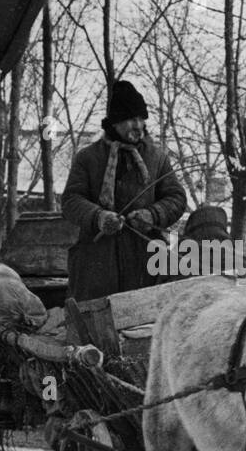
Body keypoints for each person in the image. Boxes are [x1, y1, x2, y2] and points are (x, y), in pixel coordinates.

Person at [61, 79, 187, 301]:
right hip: (97, 265)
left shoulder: (157, 158)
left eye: (141, 119)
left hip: (145, 262)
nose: (138, 125)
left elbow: (176, 198)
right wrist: (98, 217)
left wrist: (152, 215)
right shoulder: (88, 158)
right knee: (96, 324)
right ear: (115, 122)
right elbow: (71, 200)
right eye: (131, 119)